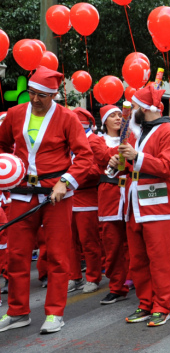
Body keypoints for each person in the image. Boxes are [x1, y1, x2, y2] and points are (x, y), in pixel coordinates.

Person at [0, 67, 94, 335]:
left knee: (57, 254)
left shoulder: (67, 118)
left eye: (41, 95)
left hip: (56, 195)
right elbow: (2, 145)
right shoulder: (15, 115)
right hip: (21, 193)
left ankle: (55, 313)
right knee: (17, 255)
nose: (34, 99)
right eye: (31, 93)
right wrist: (7, 169)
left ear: (53, 95)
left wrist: (66, 182)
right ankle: (17, 312)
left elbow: (84, 157)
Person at [110, 83, 170, 327]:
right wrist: (117, 163)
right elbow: (130, 165)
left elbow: (168, 167)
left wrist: (137, 157)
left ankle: (162, 306)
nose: (131, 113)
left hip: (159, 206)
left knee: (160, 260)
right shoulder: (137, 132)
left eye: (135, 107)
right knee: (138, 260)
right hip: (135, 205)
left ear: (146, 108)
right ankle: (145, 302)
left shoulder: (169, 131)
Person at [93, 105, 130, 305]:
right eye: (113, 116)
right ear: (104, 121)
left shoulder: (133, 138)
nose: (117, 118)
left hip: (132, 193)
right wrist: (125, 147)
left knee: (134, 242)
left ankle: (135, 280)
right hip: (109, 195)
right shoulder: (96, 140)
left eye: (120, 115)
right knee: (112, 243)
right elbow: (104, 156)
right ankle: (117, 286)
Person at [69, 108, 103, 294]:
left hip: (87, 198)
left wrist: (70, 172)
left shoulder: (95, 140)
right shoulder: (68, 141)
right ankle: (74, 276)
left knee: (88, 241)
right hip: (68, 197)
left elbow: (98, 170)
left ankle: (93, 277)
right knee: (69, 241)